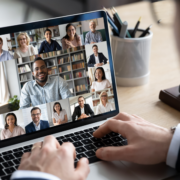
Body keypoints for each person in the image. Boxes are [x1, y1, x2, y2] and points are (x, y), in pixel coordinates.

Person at [10, 0, 180, 179]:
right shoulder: (28, 89)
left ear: (47, 69)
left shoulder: (60, 80)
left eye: (42, 68)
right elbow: (24, 108)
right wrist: (173, 143)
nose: (39, 71)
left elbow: (69, 97)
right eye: (35, 69)